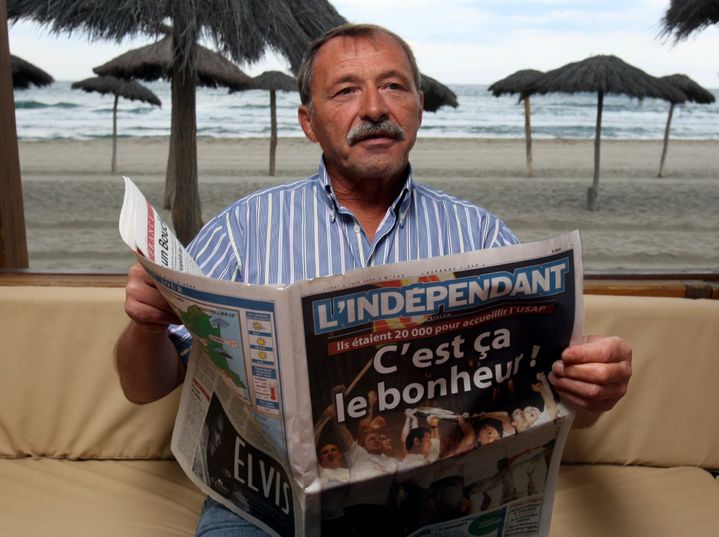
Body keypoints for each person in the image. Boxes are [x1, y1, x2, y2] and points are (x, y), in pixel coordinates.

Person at [115, 22, 633, 536]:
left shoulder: (482, 234)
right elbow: (143, 388)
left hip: (427, 506)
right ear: (308, 122)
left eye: (393, 86)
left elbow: (547, 401)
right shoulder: (243, 229)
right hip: (268, 510)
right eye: (345, 91)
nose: (375, 108)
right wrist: (146, 327)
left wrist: (590, 391)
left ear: (418, 107)